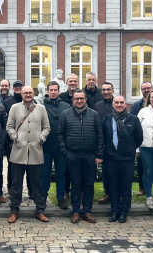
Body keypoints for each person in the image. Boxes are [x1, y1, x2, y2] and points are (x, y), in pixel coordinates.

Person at [57, 89, 104, 224]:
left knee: (89, 184)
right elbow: (60, 135)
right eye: (76, 98)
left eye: (81, 98)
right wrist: (65, 152)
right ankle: (76, 211)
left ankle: (87, 211)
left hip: (90, 155)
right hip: (73, 154)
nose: (79, 101)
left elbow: (100, 136)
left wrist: (99, 154)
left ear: (85, 100)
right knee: (75, 184)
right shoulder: (65, 114)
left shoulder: (94, 115)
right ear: (72, 100)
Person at [6, 86, 51, 223]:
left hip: (36, 150)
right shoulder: (14, 107)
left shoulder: (41, 108)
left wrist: (41, 138)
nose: (28, 95)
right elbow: (9, 126)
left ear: (34, 94)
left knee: (37, 183)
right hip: (18, 151)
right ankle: (14, 210)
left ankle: (40, 210)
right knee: (16, 183)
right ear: (21, 94)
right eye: (25, 92)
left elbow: (47, 127)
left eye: (30, 92)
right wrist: (15, 137)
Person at [103, 95, 142, 223]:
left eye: (121, 103)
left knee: (126, 186)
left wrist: (129, 148)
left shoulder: (133, 119)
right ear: (113, 105)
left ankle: (124, 211)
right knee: (113, 185)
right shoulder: (107, 119)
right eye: (116, 103)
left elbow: (139, 138)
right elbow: (104, 137)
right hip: (111, 158)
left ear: (126, 104)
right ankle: (114, 211)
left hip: (127, 159)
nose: (119, 105)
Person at [41, 81, 71, 210]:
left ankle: (61, 198)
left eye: (55, 90)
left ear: (59, 91)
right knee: (45, 173)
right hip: (46, 146)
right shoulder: (41, 106)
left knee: (61, 174)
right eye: (51, 90)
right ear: (47, 91)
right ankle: (42, 197)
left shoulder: (66, 106)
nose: (53, 92)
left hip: (61, 147)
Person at [130, 81, 153, 197]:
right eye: (144, 88)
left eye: (148, 88)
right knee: (141, 166)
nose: (146, 90)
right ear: (141, 90)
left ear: (152, 88)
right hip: (142, 140)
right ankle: (142, 188)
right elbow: (132, 122)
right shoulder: (136, 105)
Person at [94, 82, 115, 204]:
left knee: (117, 170)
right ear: (101, 92)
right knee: (106, 171)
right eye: (104, 90)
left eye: (108, 89)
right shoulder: (97, 106)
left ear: (113, 91)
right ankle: (108, 193)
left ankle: (118, 194)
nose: (106, 92)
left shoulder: (117, 103)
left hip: (117, 143)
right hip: (103, 143)